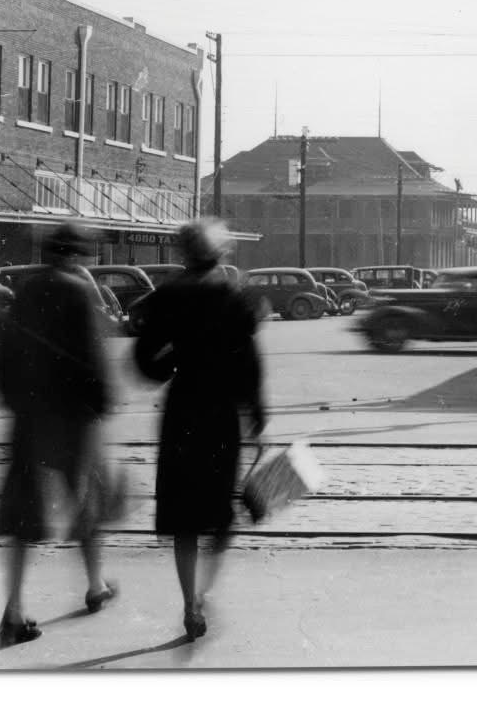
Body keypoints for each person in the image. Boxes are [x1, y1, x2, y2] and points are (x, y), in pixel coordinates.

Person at [135, 219, 265, 641]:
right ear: (219, 252)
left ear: (183, 253)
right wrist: (257, 415)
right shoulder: (232, 295)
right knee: (222, 515)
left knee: (183, 518)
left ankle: (189, 602)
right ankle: (204, 594)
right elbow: (250, 363)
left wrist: (172, 362)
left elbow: (145, 362)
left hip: (183, 412)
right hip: (223, 413)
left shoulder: (166, 295)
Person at [0, 221, 118, 647]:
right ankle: (96, 583)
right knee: (88, 500)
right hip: (74, 418)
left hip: (30, 415)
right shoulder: (79, 290)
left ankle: (13, 610)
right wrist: (102, 402)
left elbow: (7, 354)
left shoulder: (26, 290)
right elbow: (93, 355)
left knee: (23, 515)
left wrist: (15, 400)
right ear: (77, 254)